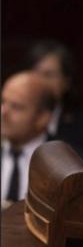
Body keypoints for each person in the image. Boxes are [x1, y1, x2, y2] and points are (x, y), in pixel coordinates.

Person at [22, 40, 83, 172]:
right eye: (35, 73)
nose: (40, 81)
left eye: (48, 75)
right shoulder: (11, 114)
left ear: (66, 82)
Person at [1, 72, 55, 209]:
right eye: (3, 102)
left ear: (43, 118)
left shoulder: (62, 164)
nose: (3, 112)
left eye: (16, 107)